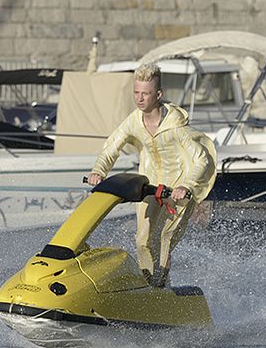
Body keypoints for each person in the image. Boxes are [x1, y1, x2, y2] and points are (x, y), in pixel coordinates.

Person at [86, 63, 216, 287]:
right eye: (136, 93)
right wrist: (99, 170)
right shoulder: (133, 122)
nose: (139, 98)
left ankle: (159, 287)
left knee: (164, 239)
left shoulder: (176, 127)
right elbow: (111, 147)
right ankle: (149, 287)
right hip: (150, 189)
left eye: (145, 93)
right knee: (143, 241)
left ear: (158, 94)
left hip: (178, 192)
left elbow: (202, 159)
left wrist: (186, 185)